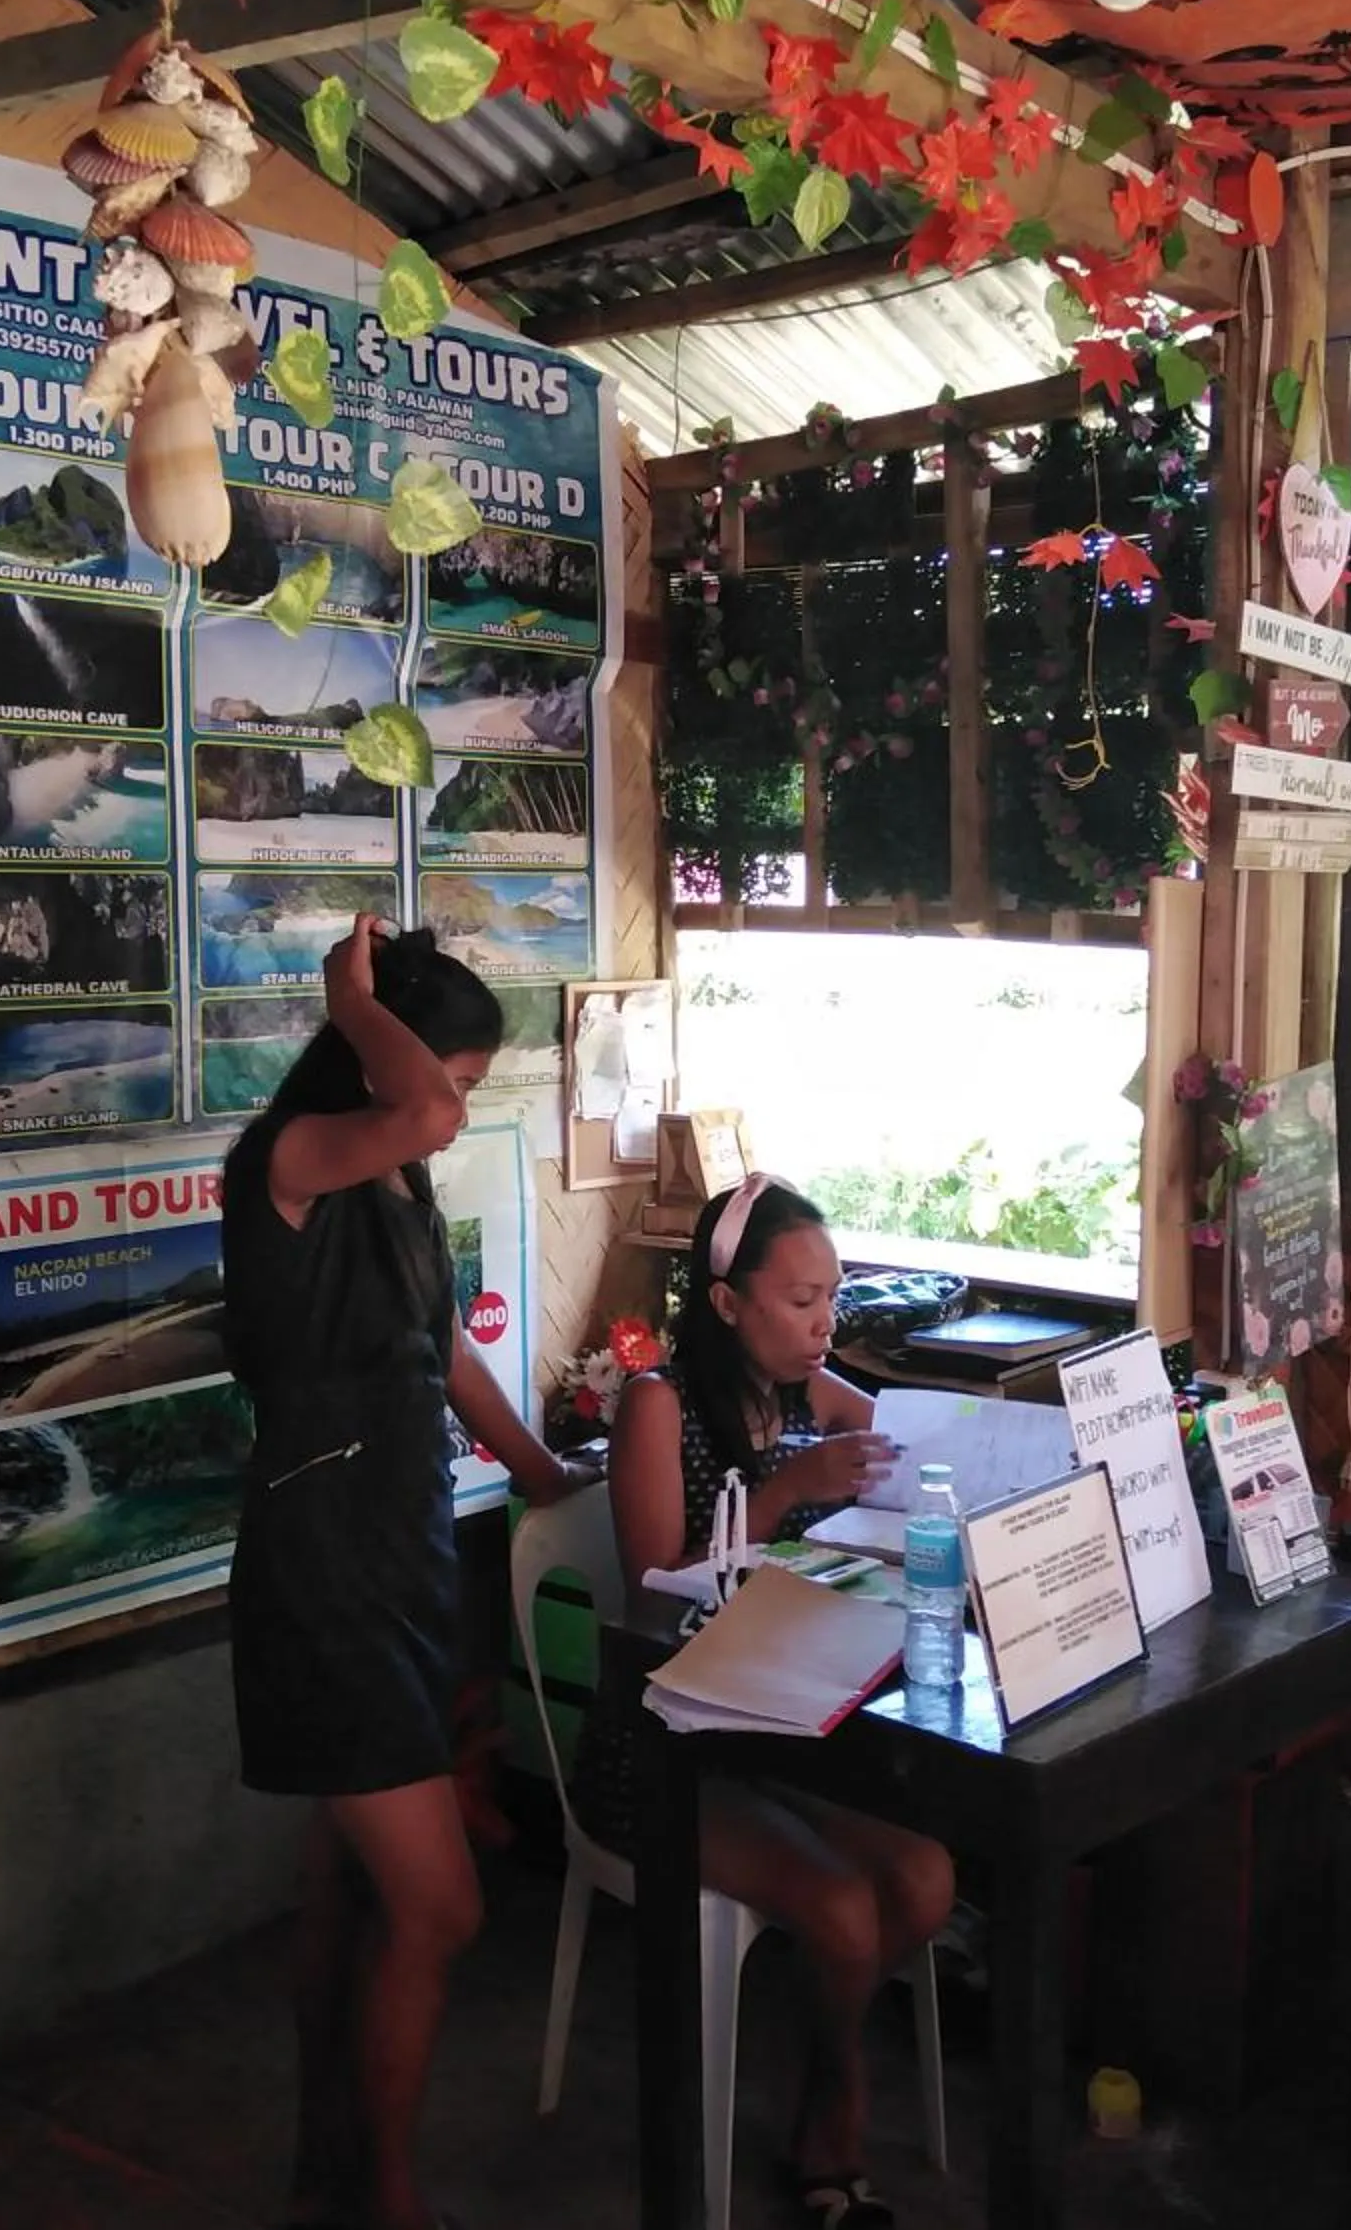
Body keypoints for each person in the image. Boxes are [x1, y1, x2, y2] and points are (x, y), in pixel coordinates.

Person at [225, 912, 589, 2230]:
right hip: (319, 1575)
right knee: (438, 1908)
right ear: (381, 1058)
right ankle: (383, 2191)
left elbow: (444, 1354)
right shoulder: (298, 1157)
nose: (460, 1107)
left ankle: (327, 2155)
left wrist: (546, 1475)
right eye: (460, 1073)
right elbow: (427, 1108)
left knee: (347, 1886)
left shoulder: (394, 1184)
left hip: (398, 1549)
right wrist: (347, 993)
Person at [574, 1175, 958, 2230]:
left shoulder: (804, 1388)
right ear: (727, 1303)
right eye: (799, 1300)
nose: (823, 1322)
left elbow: (908, 1448)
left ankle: (820, 2076)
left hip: (782, 1719)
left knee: (924, 1877)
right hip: (661, 1738)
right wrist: (791, 1492)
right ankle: (832, 2117)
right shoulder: (658, 1404)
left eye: (832, 1295)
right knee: (840, 1909)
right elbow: (654, 1580)